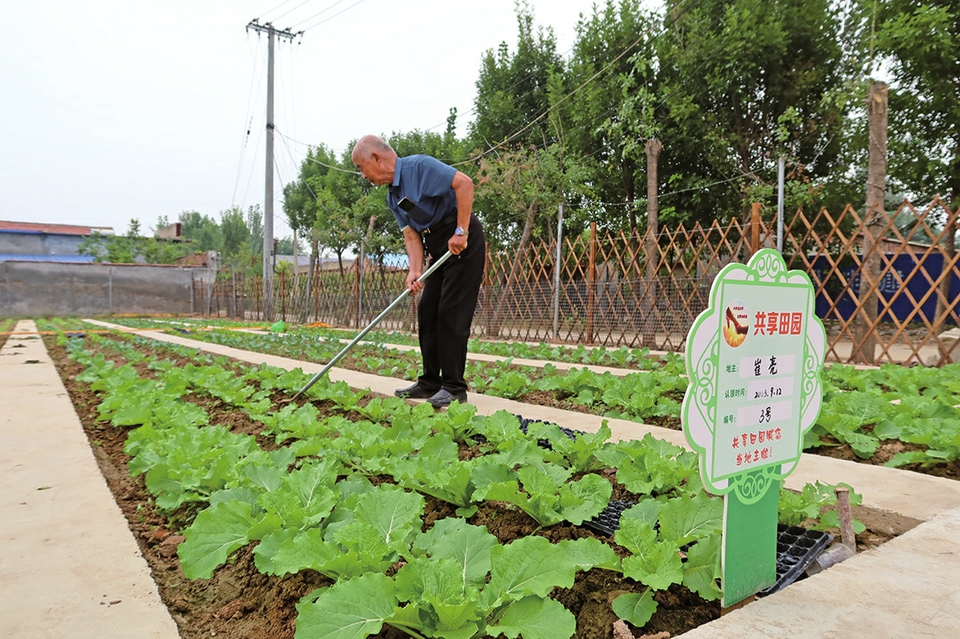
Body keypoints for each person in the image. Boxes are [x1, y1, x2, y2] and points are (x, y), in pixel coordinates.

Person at [351, 135, 486, 408]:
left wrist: (461, 231)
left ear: (376, 158)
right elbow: (412, 236)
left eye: (361, 167)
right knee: (428, 311)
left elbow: (464, 183)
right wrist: (414, 271)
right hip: (437, 247)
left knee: (451, 311)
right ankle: (430, 382)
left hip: (461, 241)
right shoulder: (393, 196)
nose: (363, 176)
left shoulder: (420, 168)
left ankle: (454, 387)